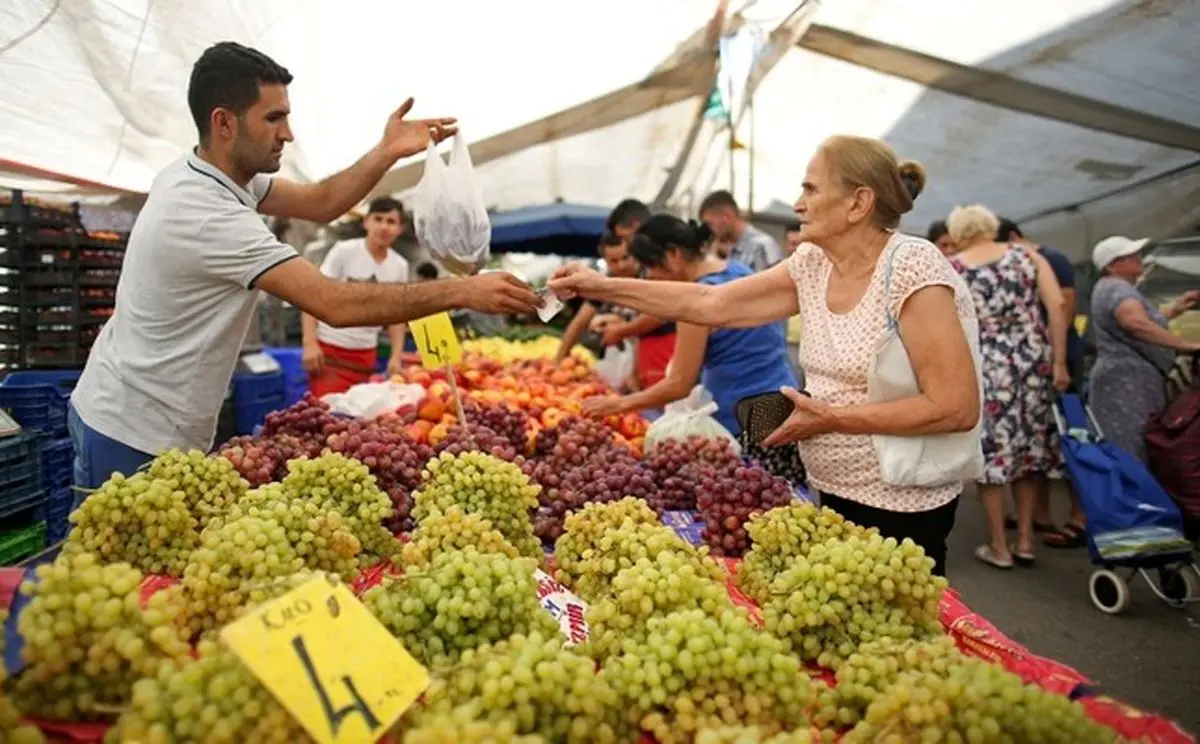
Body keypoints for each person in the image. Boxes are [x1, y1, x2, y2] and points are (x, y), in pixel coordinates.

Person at [68, 41, 540, 498]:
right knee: (116, 571)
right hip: (131, 429)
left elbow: (320, 202)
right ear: (224, 123)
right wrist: (461, 291)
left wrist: (386, 151)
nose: (288, 133)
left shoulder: (225, 179)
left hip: (153, 417)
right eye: (274, 118)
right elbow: (332, 302)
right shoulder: (204, 211)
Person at [552, 135, 981, 575]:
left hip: (905, 505)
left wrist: (834, 419)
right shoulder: (813, 263)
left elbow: (955, 407)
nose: (798, 204)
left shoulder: (911, 266)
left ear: (858, 203)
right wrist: (600, 285)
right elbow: (710, 304)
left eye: (811, 189)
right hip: (832, 492)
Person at [573, 214, 803, 481]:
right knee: (783, 502)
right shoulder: (738, 272)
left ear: (673, 255)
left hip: (743, 422)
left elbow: (679, 384)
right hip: (783, 406)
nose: (652, 278)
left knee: (753, 507)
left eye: (651, 268)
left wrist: (618, 404)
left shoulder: (695, 307)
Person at [946, 204, 1070, 570]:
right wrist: (1059, 362)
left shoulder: (955, 267)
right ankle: (1027, 540)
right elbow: (1057, 304)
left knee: (993, 457)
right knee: (1029, 450)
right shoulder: (1026, 255)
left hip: (986, 368)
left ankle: (999, 545)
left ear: (958, 232)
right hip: (1032, 363)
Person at [996, 216, 1087, 548]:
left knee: (1073, 441)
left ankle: (1081, 517)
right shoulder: (1021, 263)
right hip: (1035, 364)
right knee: (1038, 440)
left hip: (1060, 362)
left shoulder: (1051, 258)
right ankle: (1040, 515)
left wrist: (1058, 361)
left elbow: (1061, 309)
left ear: (1013, 237)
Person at [1088, 236, 1200, 462]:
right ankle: (1139, 496)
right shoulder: (1119, 289)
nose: (1138, 259)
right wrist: (1190, 346)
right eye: (1129, 256)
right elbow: (1136, 324)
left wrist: (1175, 309)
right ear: (1112, 265)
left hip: (1127, 379)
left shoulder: (1110, 288)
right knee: (1133, 445)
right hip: (1127, 384)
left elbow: (1139, 321)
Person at [302, 197, 410, 396]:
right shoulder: (344, 251)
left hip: (366, 356)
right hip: (330, 351)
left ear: (399, 229)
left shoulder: (399, 266)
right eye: (378, 219)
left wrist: (396, 356)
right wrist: (309, 343)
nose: (384, 227)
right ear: (366, 222)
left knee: (359, 419)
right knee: (326, 416)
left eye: (391, 221)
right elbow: (314, 294)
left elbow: (397, 317)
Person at [554, 233, 675, 391]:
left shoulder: (651, 276)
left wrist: (622, 330)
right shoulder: (604, 283)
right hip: (626, 361)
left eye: (626, 258)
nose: (621, 265)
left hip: (659, 357)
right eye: (614, 261)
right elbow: (579, 322)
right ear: (605, 260)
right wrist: (558, 361)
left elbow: (659, 314)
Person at [698, 190, 783, 273]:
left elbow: (774, 285)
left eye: (710, 224)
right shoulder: (725, 250)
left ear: (727, 217)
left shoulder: (762, 246)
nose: (709, 230)